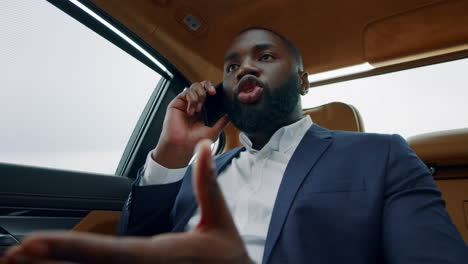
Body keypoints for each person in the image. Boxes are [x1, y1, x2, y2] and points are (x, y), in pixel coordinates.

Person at [6, 27, 468, 264]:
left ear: (304, 80)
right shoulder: (204, 172)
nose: (244, 68)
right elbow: (138, 245)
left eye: (265, 57)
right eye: (231, 66)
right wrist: (172, 153)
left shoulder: (381, 154)